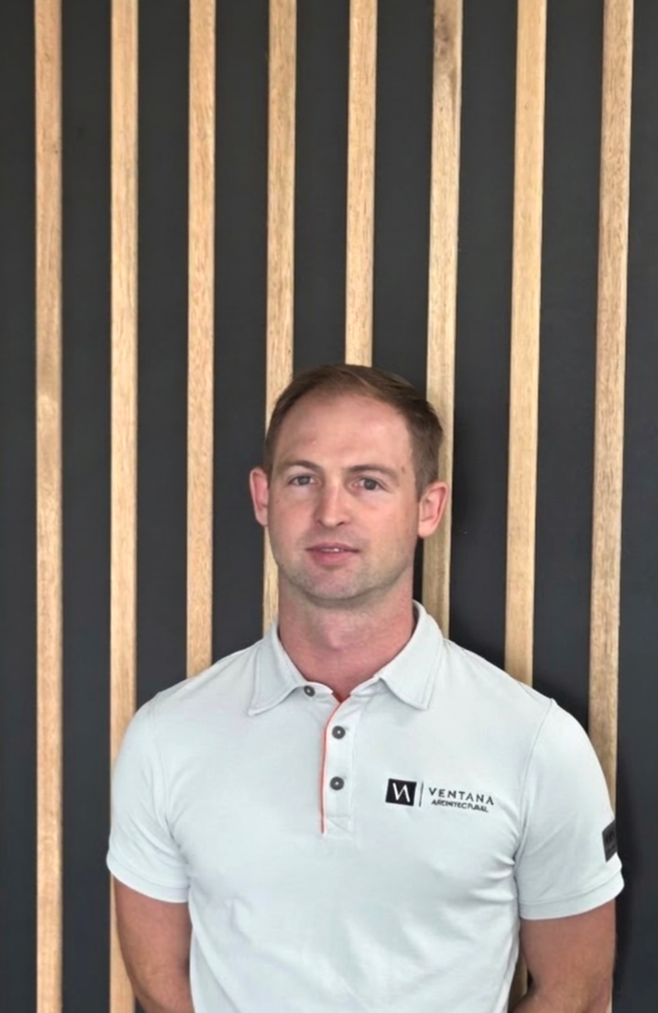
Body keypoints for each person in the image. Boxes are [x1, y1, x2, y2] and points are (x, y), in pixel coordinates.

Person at [108, 364, 623, 1013]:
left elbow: (578, 993)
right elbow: (159, 983)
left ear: (428, 507)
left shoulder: (539, 743)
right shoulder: (165, 737)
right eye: (303, 479)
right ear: (263, 497)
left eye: (368, 482)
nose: (331, 511)